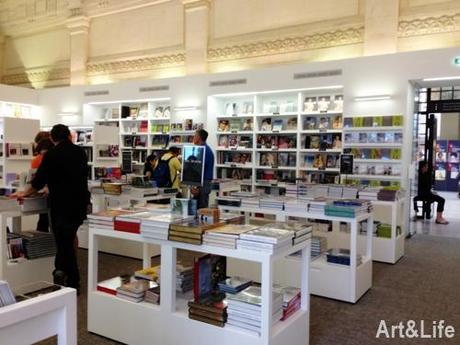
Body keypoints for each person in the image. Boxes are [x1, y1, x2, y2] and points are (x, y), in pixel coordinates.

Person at [14, 124, 90, 291]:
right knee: (67, 242)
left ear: (52, 138)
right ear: (69, 136)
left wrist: (24, 193)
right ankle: (62, 273)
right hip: (79, 204)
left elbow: (39, 181)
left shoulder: (52, 155)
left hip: (61, 205)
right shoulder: (80, 152)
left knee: (64, 243)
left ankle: (69, 280)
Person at [31, 138, 54, 232]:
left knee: (45, 223)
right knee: (43, 222)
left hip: (56, 199)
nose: (43, 156)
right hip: (48, 197)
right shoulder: (39, 160)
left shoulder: (41, 160)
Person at [191, 129, 214, 209]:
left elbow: (200, 169)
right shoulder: (202, 149)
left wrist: (196, 186)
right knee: (196, 208)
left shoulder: (204, 151)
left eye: (195, 135)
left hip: (203, 183)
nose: (193, 137)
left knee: (201, 209)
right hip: (201, 182)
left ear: (199, 137)